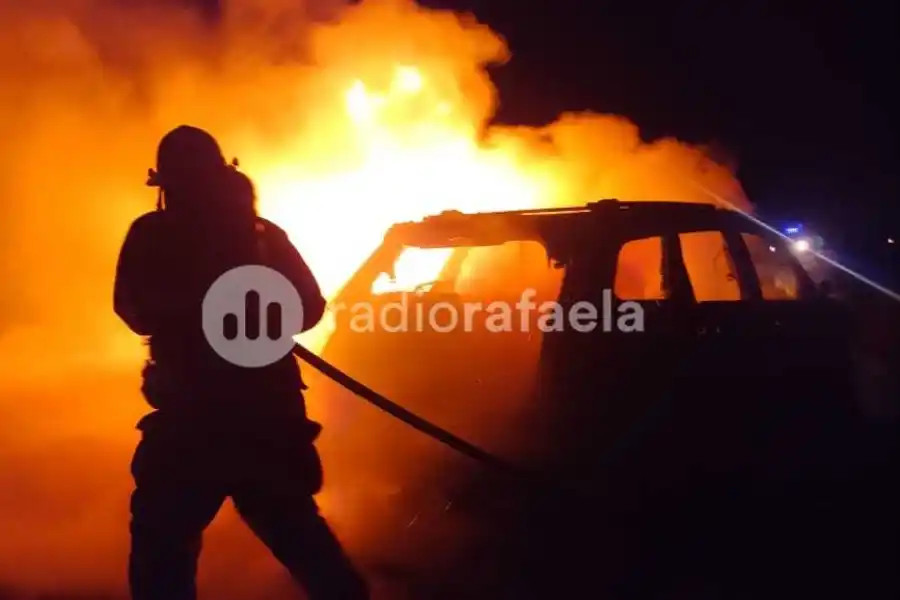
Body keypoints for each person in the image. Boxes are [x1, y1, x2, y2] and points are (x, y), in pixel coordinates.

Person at [114, 125, 369, 600]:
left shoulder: (154, 234)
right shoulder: (262, 236)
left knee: (162, 552)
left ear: (166, 184)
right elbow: (309, 307)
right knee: (301, 539)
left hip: (196, 424)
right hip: (263, 420)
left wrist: (192, 311)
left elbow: (132, 310)